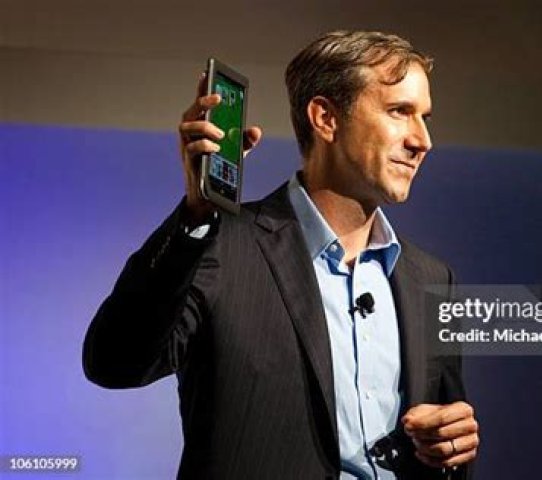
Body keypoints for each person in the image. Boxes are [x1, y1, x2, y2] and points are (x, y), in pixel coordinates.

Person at [83, 30, 479, 479]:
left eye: (424, 117)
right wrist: (195, 217)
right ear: (325, 118)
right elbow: (115, 363)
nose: (422, 140)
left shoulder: (431, 278)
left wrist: (451, 449)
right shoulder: (221, 246)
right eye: (399, 112)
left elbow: (446, 443)